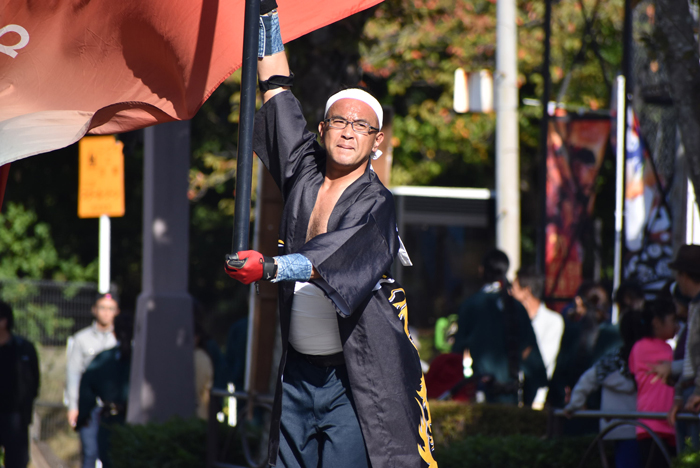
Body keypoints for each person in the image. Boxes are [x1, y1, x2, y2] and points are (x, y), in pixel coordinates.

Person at [223, 4, 435, 467]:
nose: (348, 132)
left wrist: (273, 266)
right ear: (322, 130)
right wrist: (265, 11)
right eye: (339, 121)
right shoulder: (303, 171)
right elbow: (276, 87)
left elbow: (333, 256)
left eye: (361, 126)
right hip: (296, 372)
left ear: (377, 142)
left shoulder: (376, 203)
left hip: (354, 379)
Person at [451, 250, 547, 406]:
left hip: (479, 395)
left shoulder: (471, 305)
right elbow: (531, 356)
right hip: (512, 396)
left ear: (481, 270)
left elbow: (456, 354)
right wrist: (528, 401)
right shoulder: (516, 307)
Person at [564, 309, 642, 468]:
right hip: (646, 424)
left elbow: (587, 380)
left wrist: (575, 405)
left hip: (612, 425)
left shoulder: (610, 360)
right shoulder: (648, 360)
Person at [66, 292, 119, 468]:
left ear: (116, 312)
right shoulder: (81, 339)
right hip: (89, 405)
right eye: (102, 308)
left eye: (110, 309)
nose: (106, 313)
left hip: (112, 407)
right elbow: (73, 373)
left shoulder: (121, 340)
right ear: (94, 310)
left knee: (111, 453)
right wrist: (74, 406)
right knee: (90, 453)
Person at [76, 313, 133, 468]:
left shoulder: (104, 358)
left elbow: (87, 386)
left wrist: (83, 414)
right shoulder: (143, 359)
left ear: (114, 332)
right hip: (136, 421)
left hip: (110, 420)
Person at [628, 299, 678, 465]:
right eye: (674, 320)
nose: (677, 325)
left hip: (652, 422)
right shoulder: (657, 349)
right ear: (657, 322)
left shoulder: (639, 347)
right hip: (656, 422)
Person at [512, 266, 564, 409]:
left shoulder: (553, 321)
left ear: (526, 291)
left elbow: (543, 359)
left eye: (514, 288)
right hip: (512, 394)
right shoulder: (512, 319)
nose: (510, 292)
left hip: (537, 398)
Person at [667, 245, 700, 452]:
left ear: (684, 275)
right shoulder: (694, 306)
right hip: (690, 393)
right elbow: (691, 358)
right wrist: (680, 394)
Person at [0, 301, 39, 468]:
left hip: (15, 416)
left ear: (4, 321)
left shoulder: (24, 348)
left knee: (16, 461)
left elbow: (34, 381)